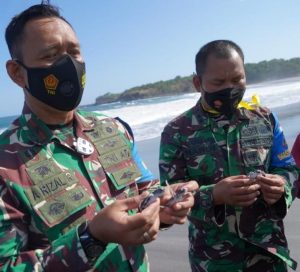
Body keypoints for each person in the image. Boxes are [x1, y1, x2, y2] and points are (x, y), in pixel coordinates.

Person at [0, 3, 198, 271]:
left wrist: (164, 206)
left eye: (74, 52)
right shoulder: (5, 164)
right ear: (16, 72)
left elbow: (143, 191)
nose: (68, 64)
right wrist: (90, 238)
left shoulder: (113, 130)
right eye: (51, 55)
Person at [159, 40, 299, 271]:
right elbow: (168, 196)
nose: (230, 88)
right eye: (218, 82)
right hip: (214, 260)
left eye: (237, 79)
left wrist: (282, 185)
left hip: (269, 254)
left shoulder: (264, 118)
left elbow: (289, 168)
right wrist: (213, 195)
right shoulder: (177, 132)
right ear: (198, 82)